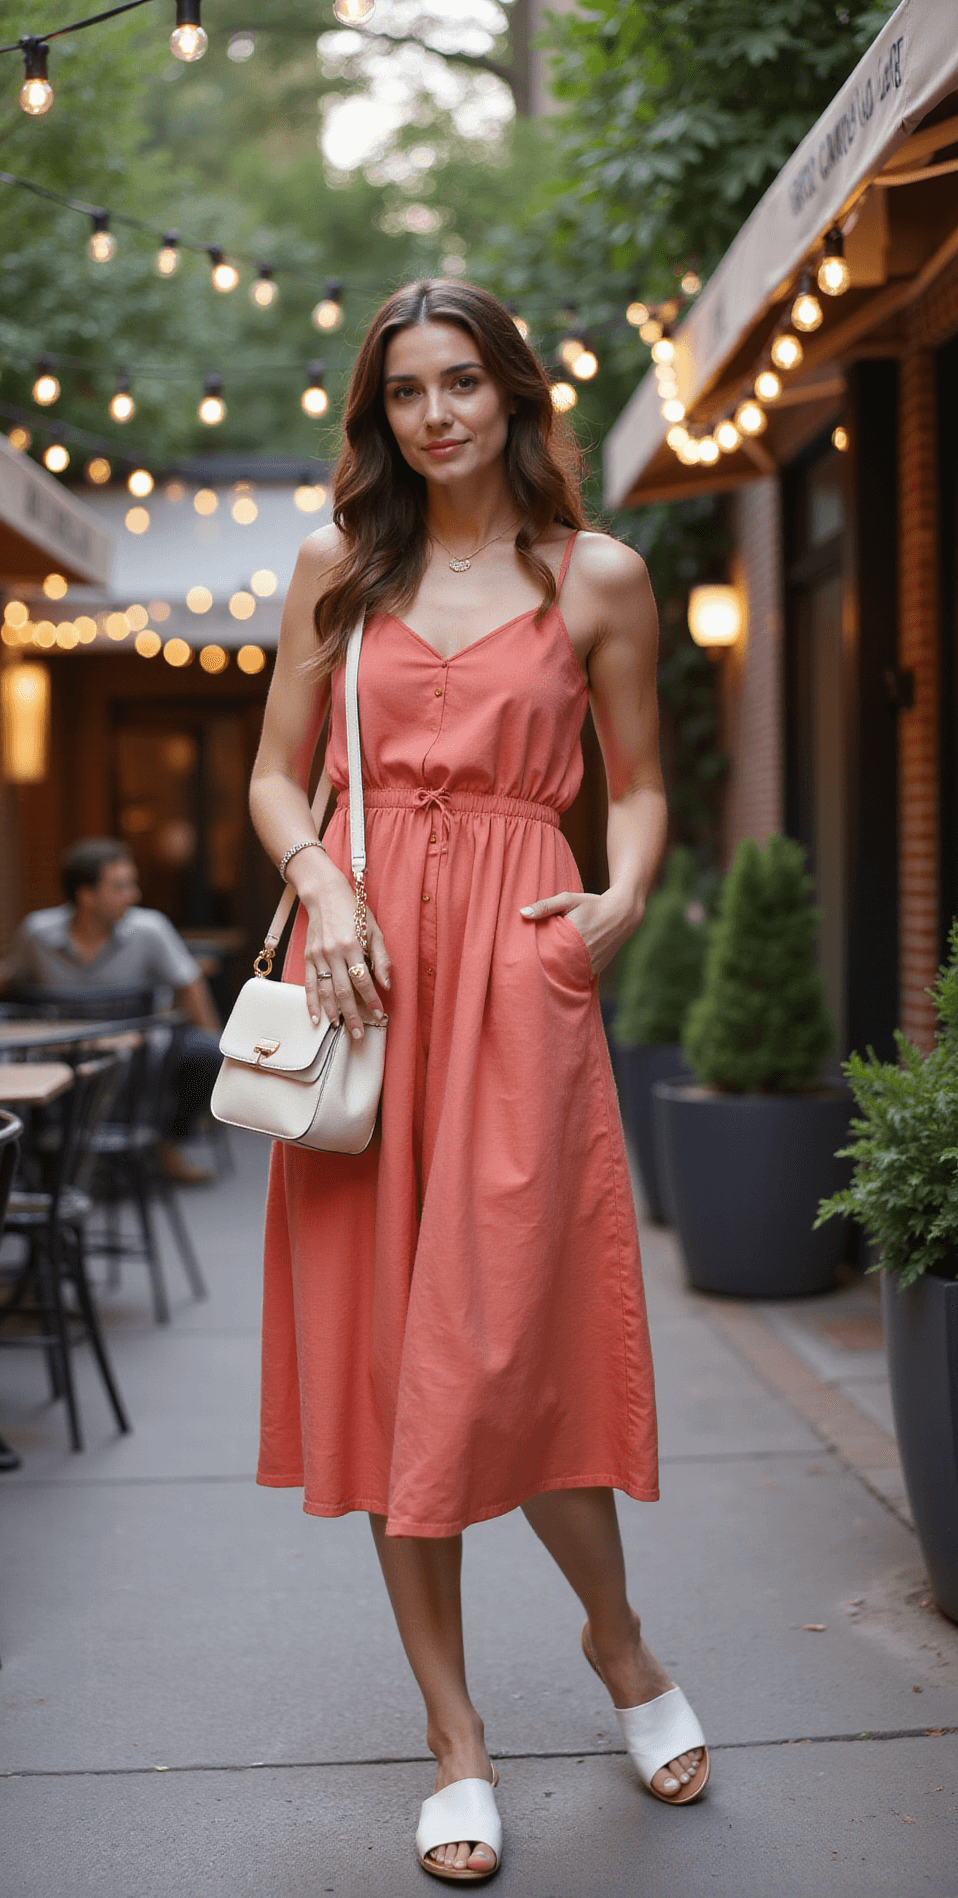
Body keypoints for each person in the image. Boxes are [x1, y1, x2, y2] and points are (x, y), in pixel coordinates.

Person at [248, 278, 709, 1882]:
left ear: (513, 393)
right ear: (377, 418)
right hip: (367, 981)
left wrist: (622, 896)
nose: (435, 415)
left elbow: (640, 784)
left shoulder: (600, 578)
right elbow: (271, 775)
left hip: (518, 978)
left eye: (462, 384)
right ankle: (456, 1740)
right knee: (395, 1368)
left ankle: (619, 1642)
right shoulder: (337, 569)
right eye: (405, 395)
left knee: (515, 1344)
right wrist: (326, 888)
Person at [0, 838, 223, 1183]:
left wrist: (219, 1047)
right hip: (60, 1060)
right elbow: (7, 979)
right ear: (86, 895)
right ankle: (39, 1164)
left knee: (207, 1053)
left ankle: (165, 1144)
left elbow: (189, 982)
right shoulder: (38, 933)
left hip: (135, 1061)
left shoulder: (150, 929)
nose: (133, 895)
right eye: (120, 887)